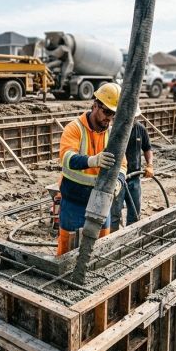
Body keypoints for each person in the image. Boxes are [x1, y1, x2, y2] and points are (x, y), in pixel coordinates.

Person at [57, 82, 127, 256]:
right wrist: (93, 160)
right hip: (74, 200)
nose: (109, 119)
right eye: (106, 112)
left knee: (101, 249)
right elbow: (66, 158)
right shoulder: (74, 128)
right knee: (67, 249)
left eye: (113, 115)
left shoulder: (112, 134)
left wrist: (118, 182)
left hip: (101, 201)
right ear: (95, 105)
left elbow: (123, 165)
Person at [109, 106, 153, 232]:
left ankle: (130, 239)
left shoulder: (140, 129)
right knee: (114, 215)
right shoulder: (114, 130)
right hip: (117, 180)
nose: (133, 119)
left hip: (134, 179)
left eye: (135, 117)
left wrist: (149, 165)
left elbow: (147, 149)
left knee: (134, 213)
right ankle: (112, 242)